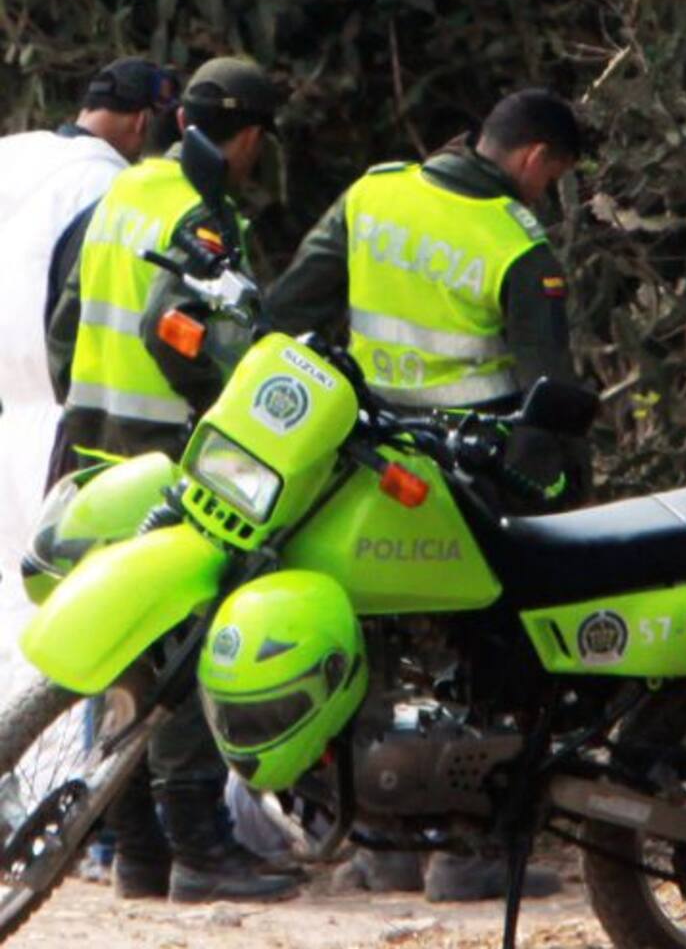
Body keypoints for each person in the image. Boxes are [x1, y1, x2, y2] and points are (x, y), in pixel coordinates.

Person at [266, 86, 590, 901]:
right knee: (493, 643)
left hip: (360, 456)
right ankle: (471, 853)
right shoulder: (517, 243)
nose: (543, 193)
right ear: (535, 159)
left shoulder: (373, 194)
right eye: (550, 179)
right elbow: (544, 389)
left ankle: (378, 845)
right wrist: (544, 492)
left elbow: (288, 309)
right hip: (465, 468)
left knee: (366, 637)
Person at [46, 56, 300, 904]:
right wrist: (227, 419)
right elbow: (179, 331)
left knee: (127, 653)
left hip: (97, 453)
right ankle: (198, 847)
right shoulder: (203, 214)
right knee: (183, 654)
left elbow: (64, 320)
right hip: (171, 460)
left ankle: (136, 850)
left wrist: (83, 413)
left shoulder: (124, 192)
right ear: (251, 137)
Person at [0, 57, 176, 707]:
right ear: (140, 123)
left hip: (6, 416)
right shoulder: (108, 190)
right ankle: (70, 795)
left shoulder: (16, 156)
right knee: (70, 616)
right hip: (60, 422)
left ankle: (12, 792)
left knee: (8, 615)